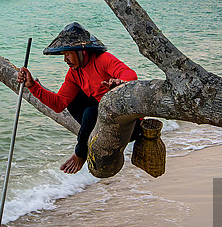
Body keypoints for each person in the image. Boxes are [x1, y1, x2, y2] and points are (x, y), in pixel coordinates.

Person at [17, 22, 140, 174]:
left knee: (90, 113)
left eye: (68, 54)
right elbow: (59, 104)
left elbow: (130, 75)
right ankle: (90, 135)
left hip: (129, 126)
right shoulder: (74, 74)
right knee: (73, 101)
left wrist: (119, 84)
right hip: (102, 121)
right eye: (64, 55)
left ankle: (81, 153)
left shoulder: (103, 59)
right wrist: (32, 85)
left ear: (82, 50)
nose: (65, 60)